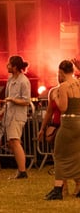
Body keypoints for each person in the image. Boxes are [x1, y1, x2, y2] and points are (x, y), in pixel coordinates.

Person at [43, 60, 80, 200]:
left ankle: (58, 189)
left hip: (68, 123)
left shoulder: (64, 86)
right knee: (77, 155)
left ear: (61, 72)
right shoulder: (79, 83)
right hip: (79, 121)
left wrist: (56, 97)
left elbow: (63, 108)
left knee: (59, 154)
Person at [1, 54, 31, 179]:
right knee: (12, 142)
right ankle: (21, 169)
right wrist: (3, 111)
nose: (7, 66)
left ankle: (22, 171)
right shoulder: (10, 80)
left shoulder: (24, 81)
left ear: (15, 67)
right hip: (9, 114)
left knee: (15, 141)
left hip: (18, 115)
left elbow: (26, 101)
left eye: (9, 64)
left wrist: (12, 100)